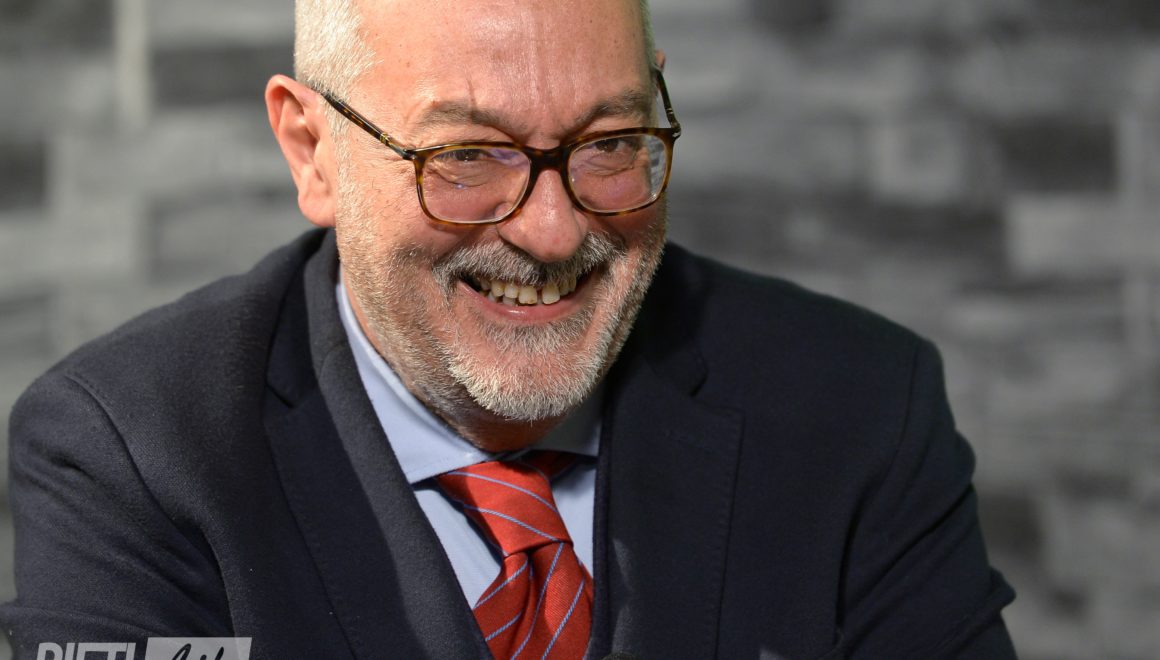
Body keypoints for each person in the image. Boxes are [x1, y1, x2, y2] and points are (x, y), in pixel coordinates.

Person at [1, 0, 1017, 658]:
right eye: (465, 156)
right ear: (312, 150)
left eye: (609, 141)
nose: (553, 231)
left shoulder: (860, 408)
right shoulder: (132, 454)